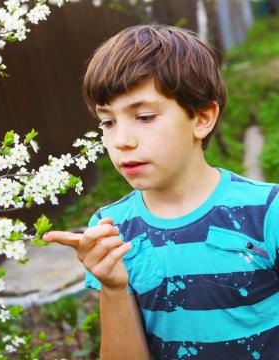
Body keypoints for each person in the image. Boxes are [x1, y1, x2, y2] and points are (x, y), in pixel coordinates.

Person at [43, 24, 279, 359]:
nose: (121, 140)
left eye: (144, 116)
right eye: (107, 122)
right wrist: (113, 286)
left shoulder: (267, 212)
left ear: (201, 118)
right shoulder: (113, 229)